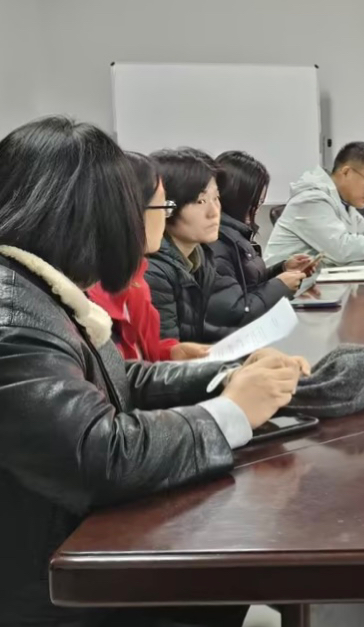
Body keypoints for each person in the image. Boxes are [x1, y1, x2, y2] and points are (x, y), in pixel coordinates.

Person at [0, 116, 308, 627]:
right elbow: (98, 455)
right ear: (86, 215)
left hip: (71, 541)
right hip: (53, 588)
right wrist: (230, 413)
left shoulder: (39, 288)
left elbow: (123, 379)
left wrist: (231, 374)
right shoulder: (13, 317)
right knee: (232, 560)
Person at [88, 153, 211, 362]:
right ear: (130, 210)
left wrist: (170, 353)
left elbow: (143, 354)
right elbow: (120, 374)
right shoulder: (89, 298)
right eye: (164, 206)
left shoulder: (135, 277)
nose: (165, 217)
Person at [144, 148, 237, 344]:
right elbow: (167, 354)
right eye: (200, 201)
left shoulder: (199, 256)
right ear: (165, 207)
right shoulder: (153, 272)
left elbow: (196, 330)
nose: (214, 212)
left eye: (216, 198)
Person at [210, 150, 313, 327]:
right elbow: (236, 312)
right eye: (256, 202)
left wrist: (282, 269)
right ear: (237, 198)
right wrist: (280, 286)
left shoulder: (236, 234)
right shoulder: (217, 242)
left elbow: (249, 284)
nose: (257, 209)